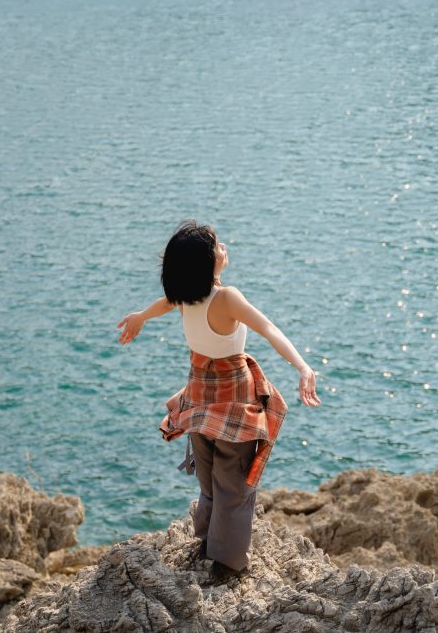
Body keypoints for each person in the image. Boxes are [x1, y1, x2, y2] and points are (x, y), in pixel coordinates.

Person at [117, 221, 320, 579]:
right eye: (217, 245)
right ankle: (227, 563)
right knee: (234, 484)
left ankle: (208, 541)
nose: (224, 247)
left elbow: (164, 304)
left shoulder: (185, 296)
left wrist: (140, 317)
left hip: (198, 399)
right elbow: (269, 328)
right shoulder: (226, 298)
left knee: (209, 480)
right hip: (233, 404)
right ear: (206, 262)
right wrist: (303, 367)